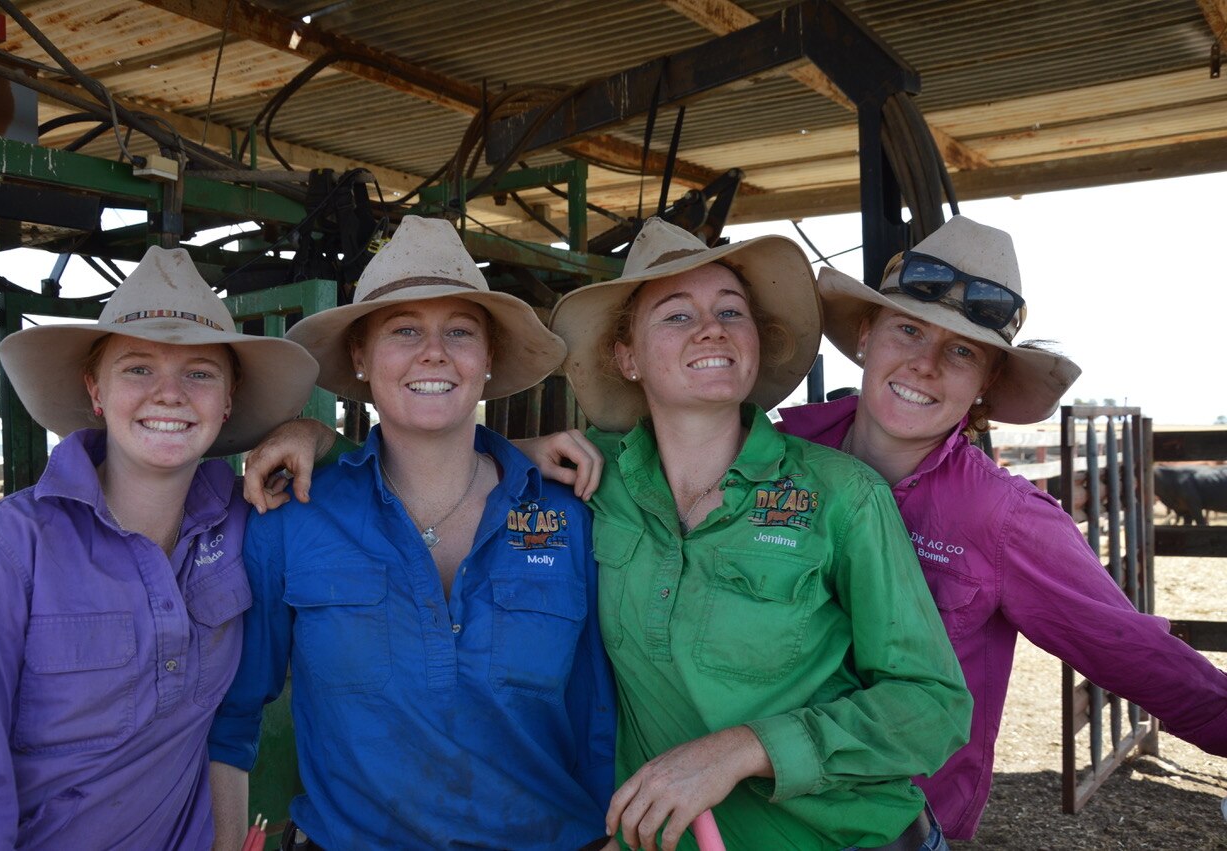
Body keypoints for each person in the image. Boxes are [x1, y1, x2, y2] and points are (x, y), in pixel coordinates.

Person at [242, 219, 973, 851]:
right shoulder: (597, 487)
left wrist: (744, 749)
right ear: (626, 357)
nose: (712, 328)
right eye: (678, 316)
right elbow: (436, 463)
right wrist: (316, 439)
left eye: (730, 311)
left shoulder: (835, 495)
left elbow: (936, 705)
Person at [775, 215, 1227, 839]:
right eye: (908, 329)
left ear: (987, 383)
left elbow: (1133, 651)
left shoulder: (1003, 519)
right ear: (866, 333)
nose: (925, 363)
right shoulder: (771, 456)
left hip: (894, 826)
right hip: (751, 802)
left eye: (962, 351)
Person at [207, 216, 616, 850]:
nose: (434, 352)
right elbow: (231, 717)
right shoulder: (295, 516)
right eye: (404, 331)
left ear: (487, 360)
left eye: (460, 332)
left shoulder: (569, 514)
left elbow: (602, 717)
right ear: (361, 358)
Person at [0, 247, 319, 848]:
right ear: (95, 390)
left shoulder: (247, 521)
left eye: (199, 372)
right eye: (138, 368)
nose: (169, 394)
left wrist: (314, 434)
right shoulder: (9, 547)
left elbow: (386, 486)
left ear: (228, 401)